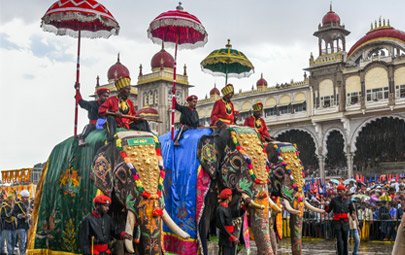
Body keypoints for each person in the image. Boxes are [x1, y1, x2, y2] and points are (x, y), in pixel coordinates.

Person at [99, 76, 151, 141]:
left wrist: (138, 118)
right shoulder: (111, 100)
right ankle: (111, 139)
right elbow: (101, 110)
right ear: (120, 90)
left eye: (129, 89)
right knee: (110, 119)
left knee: (143, 121)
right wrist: (113, 113)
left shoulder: (130, 102)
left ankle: (150, 138)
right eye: (127, 89)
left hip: (127, 124)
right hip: (116, 123)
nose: (129, 91)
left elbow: (133, 116)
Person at [325, 184, 356, 255]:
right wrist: (325, 206)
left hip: (345, 222)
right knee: (339, 240)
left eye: (341, 191)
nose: (339, 192)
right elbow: (328, 210)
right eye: (338, 191)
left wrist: (353, 215)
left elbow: (352, 210)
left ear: (344, 191)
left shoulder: (349, 201)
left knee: (345, 240)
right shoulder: (334, 200)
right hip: (337, 222)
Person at [216, 188, 247, 255]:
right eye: (231, 196)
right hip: (225, 238)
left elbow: (238, 213)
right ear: (228, 197)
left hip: (231, 238)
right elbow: (221, 226)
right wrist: (232, 237)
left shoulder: (228, 208)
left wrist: (245, 206)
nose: (231, 197)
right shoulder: (220, 209)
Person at [14, 190, 31, 255]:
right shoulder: (17, 204)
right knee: (22, 239)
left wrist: (31, 210)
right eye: (26, 197)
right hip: (21, 224)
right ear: (22, 198)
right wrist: (21, 216)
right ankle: (22, 253)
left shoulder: (28, 203)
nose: (27, 199)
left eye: (27, 197)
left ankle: (26, 250)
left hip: (28, 224)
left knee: (29, 239)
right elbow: (14, 213)